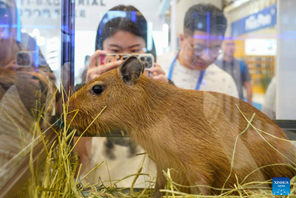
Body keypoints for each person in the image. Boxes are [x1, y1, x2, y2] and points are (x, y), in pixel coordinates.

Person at [73, 5, 171, 187]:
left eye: (134, 52)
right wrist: (89, 92)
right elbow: (77, 162)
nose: (124, 61)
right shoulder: (84, 91)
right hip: (96, 187)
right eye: (115, 52)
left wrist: (167, 99)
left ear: (149, 53)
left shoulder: (163, 90)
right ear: (99, 52)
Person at [158, 4, 238, 98]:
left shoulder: (224, 83)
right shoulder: (158, 66)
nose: (206, 57)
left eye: (215, 48)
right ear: (182, 39)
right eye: (199, 48)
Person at [215, 39, 253, 104]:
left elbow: (248, 85)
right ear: (222, 47)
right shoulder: (215, 65)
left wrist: (250, 105)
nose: (231, 47)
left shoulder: (241, 64)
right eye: (227, 44)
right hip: (220, 103)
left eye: (233, 44)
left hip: (238, 104)